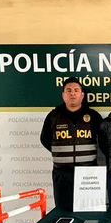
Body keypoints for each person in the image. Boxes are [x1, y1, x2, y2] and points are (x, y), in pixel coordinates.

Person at [40, 77, 102, 211]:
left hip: (88, 172)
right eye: (68, 90)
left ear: (82, 95)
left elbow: (103, 141)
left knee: (90, 210)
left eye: (76, 90)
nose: (72, 93)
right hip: (62, 174)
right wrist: (63, 154)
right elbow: (45, 140)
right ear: (63, 95)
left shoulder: (94, 116)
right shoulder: (53, 116)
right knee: (63, 211)